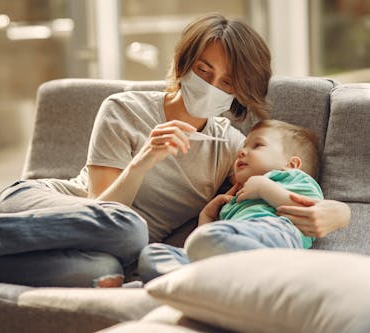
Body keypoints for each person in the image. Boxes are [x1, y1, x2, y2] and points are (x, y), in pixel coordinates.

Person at [0, 14, 350, 287]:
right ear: (183, 63)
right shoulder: (123, 109)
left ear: (240, 95)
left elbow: (284, 185)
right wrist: (145, 160)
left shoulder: (231, 148)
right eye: (204, 71)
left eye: (227, 83)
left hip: (104, 248)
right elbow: (102, 210)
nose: (212, 86)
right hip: (41, 206)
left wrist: (337, 215)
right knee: (127, 227)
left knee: (102, 268)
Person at [138, 119, 327, 283]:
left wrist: (263, 188)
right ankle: (198, 285)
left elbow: (309, 212)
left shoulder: (293, 178)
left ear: (291, 164)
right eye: (243, 146)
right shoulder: (236, 196)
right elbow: (209, 243)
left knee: (204, 240)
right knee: (152, 254)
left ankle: (199, 283)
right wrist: (206, 216)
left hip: (275, 235)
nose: (242, 151)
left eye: (257, 145)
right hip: (228, 252)